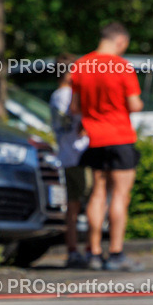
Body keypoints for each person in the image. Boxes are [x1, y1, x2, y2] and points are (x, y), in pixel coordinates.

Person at [69, 23, 145, 272]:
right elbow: (134, 105)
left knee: (97, 194)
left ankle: (93, 252)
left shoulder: (80, 65)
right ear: (121, 41)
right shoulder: (122, 66)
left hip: (94, 139)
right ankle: (115, 253)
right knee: (120, 196)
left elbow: (74, 108)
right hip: (120, 137)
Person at [49, 53, 91, 268]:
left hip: (68, 156)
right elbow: (80, 120)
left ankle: (75, 249)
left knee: (74, 207)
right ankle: (84, 250)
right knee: (84, 204)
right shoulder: (66, 95)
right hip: (77, 155)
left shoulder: (57, 95)